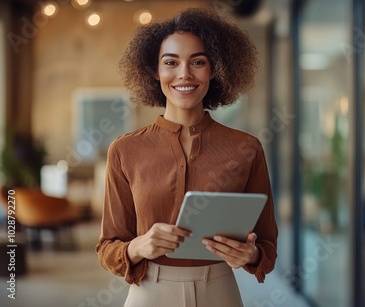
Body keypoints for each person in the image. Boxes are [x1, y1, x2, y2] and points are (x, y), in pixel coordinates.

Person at [95, 7, 278, 307]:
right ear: (154, 71)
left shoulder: (247, 148)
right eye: (171, 62)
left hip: (220, 290)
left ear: (215, 69)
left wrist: (251, 255)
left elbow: (267, 246)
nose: (184, 74)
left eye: (198, 62)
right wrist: (138, 246)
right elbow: (107, 248)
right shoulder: (125, 150)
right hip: (150, 292)